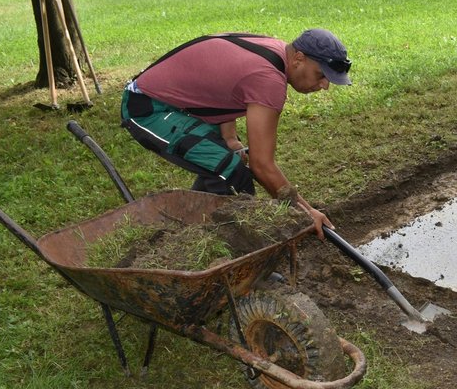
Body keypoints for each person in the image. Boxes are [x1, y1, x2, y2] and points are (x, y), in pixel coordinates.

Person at [120, 28, 352, 239]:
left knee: (222, 160)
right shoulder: (268, 79)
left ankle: (192, 237)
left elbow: (223, 84)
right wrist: (305, 212)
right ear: (299, 59)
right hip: (149, 109)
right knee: (232, 172)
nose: (324, 86)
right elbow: (261, 165)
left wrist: (229, 138)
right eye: (321, 75)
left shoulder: (277, 50)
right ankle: (236, 251)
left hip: (178, 105)